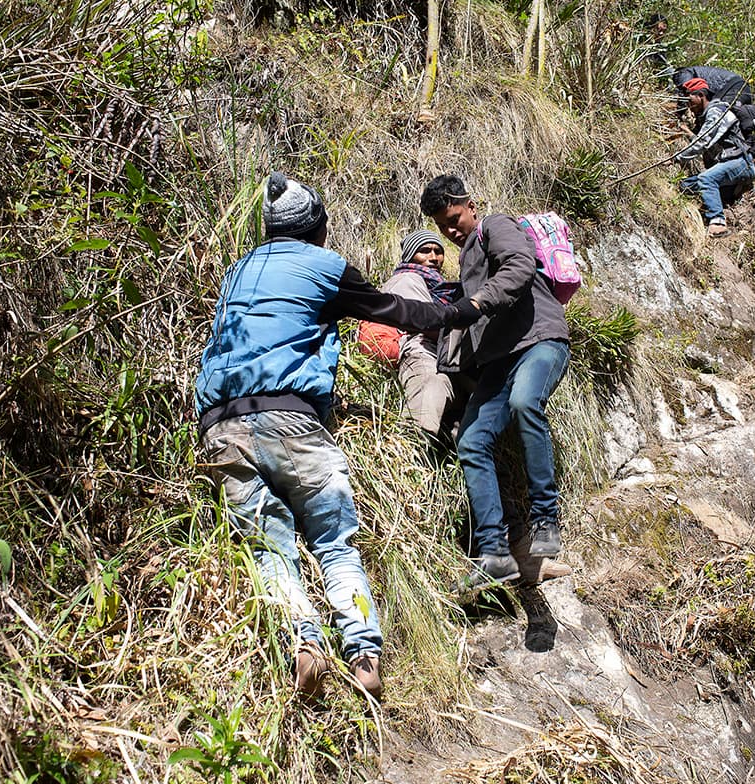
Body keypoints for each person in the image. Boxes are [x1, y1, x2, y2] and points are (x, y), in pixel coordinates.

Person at [195, 172, 480, 701]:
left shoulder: (238, 271)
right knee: (335, 543)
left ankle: (302, 644)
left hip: (220, 425)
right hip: (292, 421)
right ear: (318, 228)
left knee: (270, 548)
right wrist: (456, 311)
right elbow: (393, 310)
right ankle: (365, 653)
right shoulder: (324, 266)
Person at [419, 174, 571, 592]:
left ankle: (545, 521)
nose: (450, 230)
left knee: (525, 403)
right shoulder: (466, 261)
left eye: (453, 218)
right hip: (500, 362)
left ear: (470, 204)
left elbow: (520, 267)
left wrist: (478, 302)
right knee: (470, 440)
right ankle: (494, 554)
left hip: (540, 341)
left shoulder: (496, 226)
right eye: (441, 225)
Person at [357, 230, 469, 442]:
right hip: (422, 351)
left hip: (446, 354)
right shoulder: (407, 279)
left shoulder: (437, 286)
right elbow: (425, 321)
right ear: (410, 255)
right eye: (424, 251)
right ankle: (407, 451)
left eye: (438, 251)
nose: (433, 257)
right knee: (429, 392)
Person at [673, 77, 755, 237]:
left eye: (690, 99)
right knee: (686, 185)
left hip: (740, 162)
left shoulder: (716, 112)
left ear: (701, 95)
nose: (689, 106)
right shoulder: (709, 115)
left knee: (706, 179)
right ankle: (729, 193)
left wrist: (677, 158)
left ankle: (718, 223)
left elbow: (702, 142)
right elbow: (705, 141)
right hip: (730, 164)